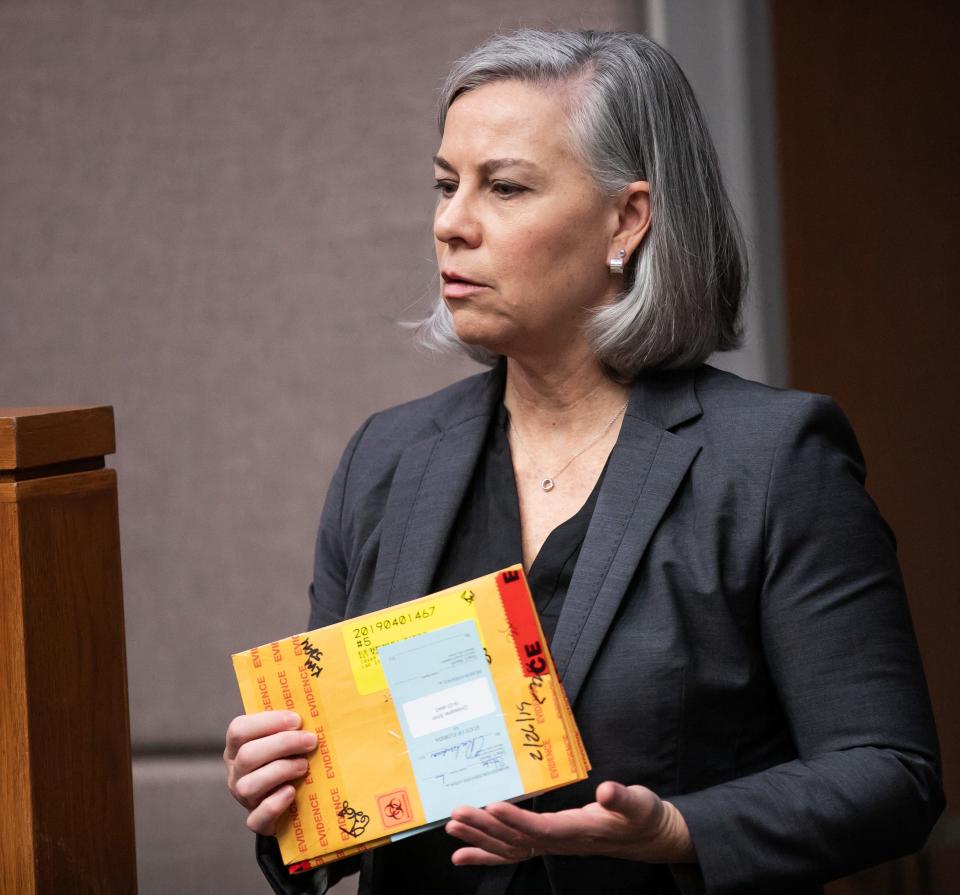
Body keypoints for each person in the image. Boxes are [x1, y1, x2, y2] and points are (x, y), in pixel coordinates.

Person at [223, 29, 943, 895]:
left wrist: (680, 831)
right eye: (446, 185)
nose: (451, 223)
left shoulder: (772, 460)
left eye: (506, 187)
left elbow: (890, 774)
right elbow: (344, 800)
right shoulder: (388, 457)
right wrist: (286, 790)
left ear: (627, 219)